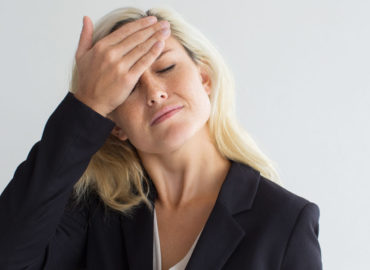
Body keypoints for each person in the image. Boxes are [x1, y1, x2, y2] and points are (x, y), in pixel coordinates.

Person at [0, 6, 322, 270]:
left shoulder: (284, 221)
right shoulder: (93, 215)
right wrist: (86, 103)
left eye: (166, 67)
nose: (154, 92)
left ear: (204, 78)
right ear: (114, 125)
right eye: (129, 88)